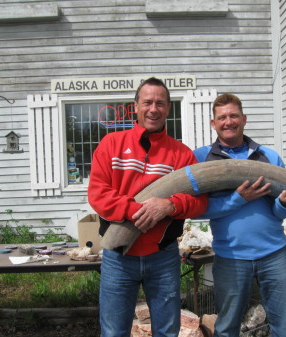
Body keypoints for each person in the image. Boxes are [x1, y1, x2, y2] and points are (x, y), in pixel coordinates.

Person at [88, 77, 208, 337]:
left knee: (166, 332)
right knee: (113, 332)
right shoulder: (111, 145)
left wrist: (169, 205)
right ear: (135, 106)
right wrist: (136, 210)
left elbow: (200, 202)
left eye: (160, 103)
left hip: (162, 257)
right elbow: (98, 194)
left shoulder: (181, 154)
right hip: (118, 255)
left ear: (168, 109)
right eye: (148, 102)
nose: (154, 109)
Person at [194, 93, 286, 337]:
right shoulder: (201, 159)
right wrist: (237, 199)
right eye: (222, 117)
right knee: (226, 327)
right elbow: (196, 209)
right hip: (230, 256)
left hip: (274, 254)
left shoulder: (269, 157)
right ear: (214, 123)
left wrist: (285, 205)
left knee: (285, 326)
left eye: (234, 116)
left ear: (244, 119)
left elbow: (280, 211)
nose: (228, 121)